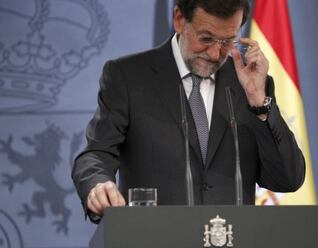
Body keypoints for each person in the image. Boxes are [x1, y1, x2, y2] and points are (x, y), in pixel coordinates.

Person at [72, 0, 305, 223]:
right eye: (206, 38)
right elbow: (97, 153)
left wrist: (260, 105)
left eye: (227, 42)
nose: (215, 53)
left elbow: (287, 179)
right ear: (179, 19)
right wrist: (98, 185)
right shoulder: (128, 76)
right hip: (154, 239)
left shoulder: (250, 85)